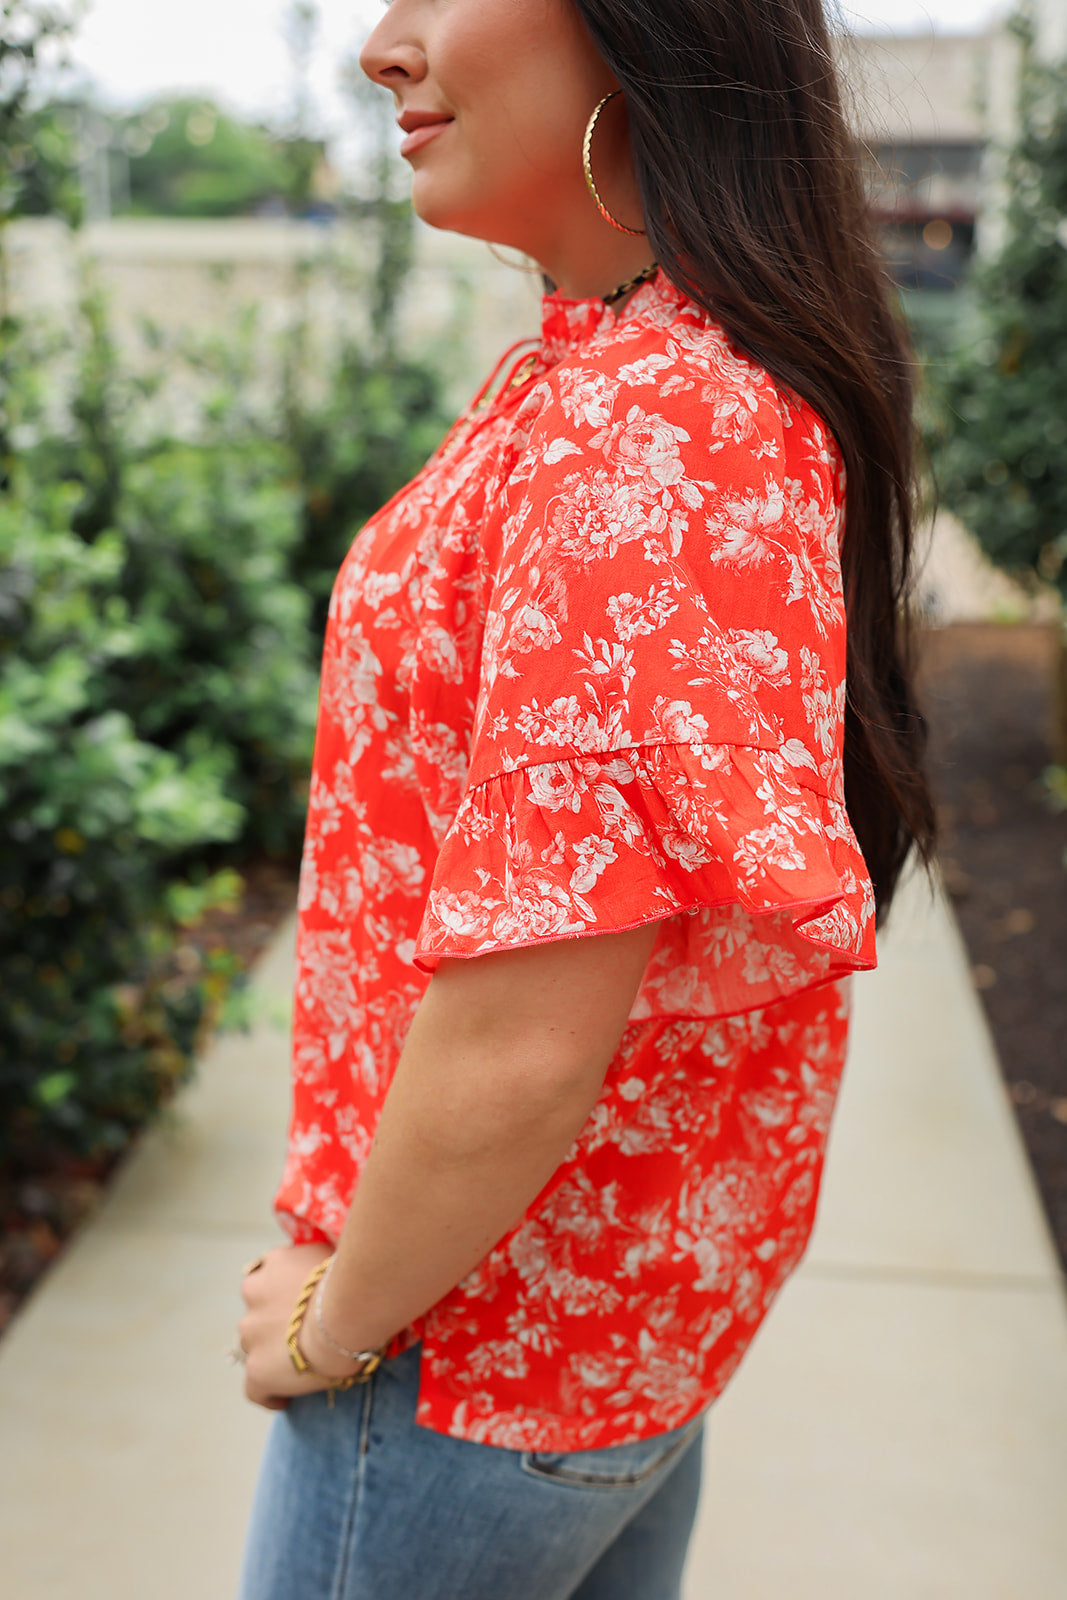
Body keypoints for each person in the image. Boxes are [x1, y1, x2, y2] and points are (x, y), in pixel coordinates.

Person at [233, 1, 937, 1596]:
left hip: (469, 1348)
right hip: (601, 1324)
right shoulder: (635, 374)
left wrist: (332, 1326)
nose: (382, 44)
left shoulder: (646, 432)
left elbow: (524, 1042)